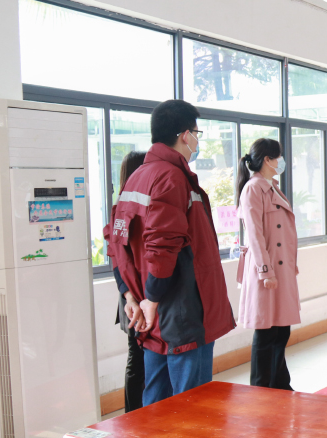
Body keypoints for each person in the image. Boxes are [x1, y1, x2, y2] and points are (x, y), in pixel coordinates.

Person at [106, 99, 235, 409]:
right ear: (185, 135)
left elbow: (116, 244)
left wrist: (132, 297)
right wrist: (150, 299)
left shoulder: (137, 177)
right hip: (182, 313)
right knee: (192, 407)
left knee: (156, 403)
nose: (197, 142)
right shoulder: (171, 177)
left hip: (153, 313)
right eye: (197, 134)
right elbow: (162, 245)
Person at [236, 138, 300, 390]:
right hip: (267, 270)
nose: (281, 161)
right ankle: (260, 387)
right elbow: (255, 235)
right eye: (278, 157)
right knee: (266, 332)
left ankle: (280, 383)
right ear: (267, 160)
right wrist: (265, 271)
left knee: (282, 329)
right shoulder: (253, 189)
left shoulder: (271, 186)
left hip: (281, 269)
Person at [110, 150, 147, 413]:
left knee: (139, 360)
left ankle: (137, 415)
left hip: (136, 297)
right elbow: (117, 262)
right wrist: (130, 297)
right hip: (131, 299)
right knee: (137, 360)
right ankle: (132, 416)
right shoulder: (122, 211)